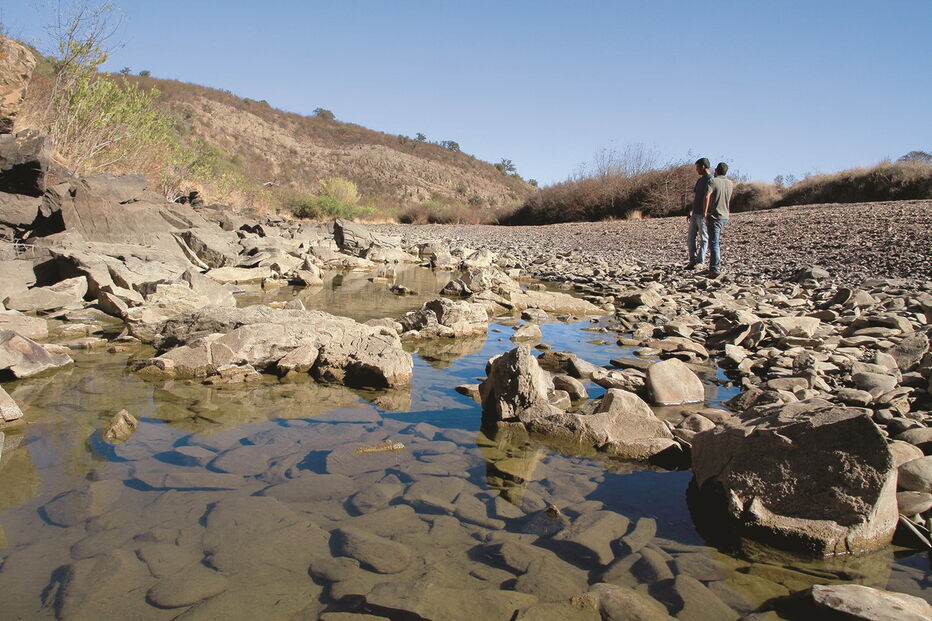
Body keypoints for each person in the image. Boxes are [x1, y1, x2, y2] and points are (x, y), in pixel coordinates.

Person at [703, 162, 734, 278]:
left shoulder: (713, 181)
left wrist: (705, 212)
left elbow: (707, 196)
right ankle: (713, 266)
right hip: (725, 216)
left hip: (715, 216)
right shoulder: (730, 183)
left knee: (714, 243)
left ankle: (715, 268)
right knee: (715, 241)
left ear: (716, 171)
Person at [686, 158, 713, 269]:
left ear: (703, 166)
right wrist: (691, 211)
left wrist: (706, 212)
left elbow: (710, 197)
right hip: (695, 213)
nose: (696, 170)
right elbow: (696, 197)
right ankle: (692, 260)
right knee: (690, 238)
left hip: (703, 214)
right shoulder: (700, 180)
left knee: (704, 238)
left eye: (697, 167)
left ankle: (700, 261)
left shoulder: (711, 180)